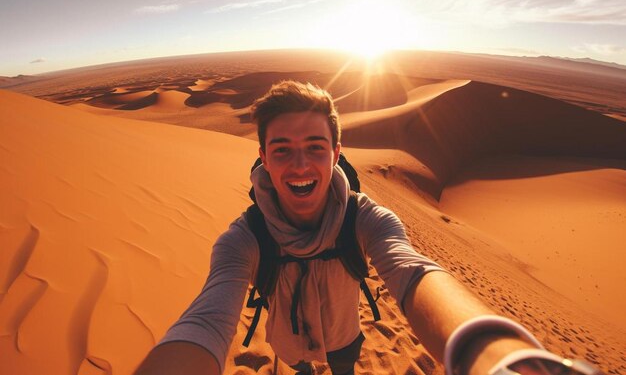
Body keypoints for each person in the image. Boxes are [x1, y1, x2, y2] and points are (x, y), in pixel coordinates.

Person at [134, 81, 601, 375]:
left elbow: (413, 272)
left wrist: (504, 359)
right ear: (264, 158)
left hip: (343, 336)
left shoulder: (367, 218)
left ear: (336, 153)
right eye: (282, 149)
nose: (300, 164)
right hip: (287, 340)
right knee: (300, 367)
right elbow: (207, 316)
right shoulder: (244, 238)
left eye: (316, 147)